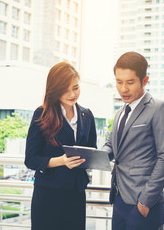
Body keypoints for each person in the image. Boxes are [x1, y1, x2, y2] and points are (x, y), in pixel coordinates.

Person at [102, 52, 164, 230]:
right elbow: (111, 146)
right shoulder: (120, 112)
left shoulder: (159, 108)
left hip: (142, 204)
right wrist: (91, 156)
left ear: (144, 81)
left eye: (130, 82)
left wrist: (145, 202)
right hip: (119, 199)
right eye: (119, 82)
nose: (123, 89)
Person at [25, 61, 97, 230]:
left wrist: (93, 159)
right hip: (48, 194)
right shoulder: (41, 114)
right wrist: (61, 161)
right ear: (55, 90)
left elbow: (91, 149)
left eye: (75, 87)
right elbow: (31, 159)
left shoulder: (87, 115)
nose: (72, 94)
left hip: (76, 194)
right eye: (65, 89)